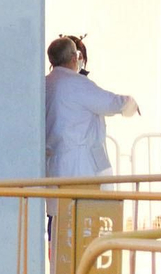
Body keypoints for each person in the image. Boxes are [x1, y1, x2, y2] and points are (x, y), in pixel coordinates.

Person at [44, 36, 139, 178]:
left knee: (58, 200)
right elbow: (110, 103)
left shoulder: (46, 83)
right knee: (82, 200)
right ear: (74, 58)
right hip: (78, 164)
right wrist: (131, 103)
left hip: (53, 164)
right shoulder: (76, 83)